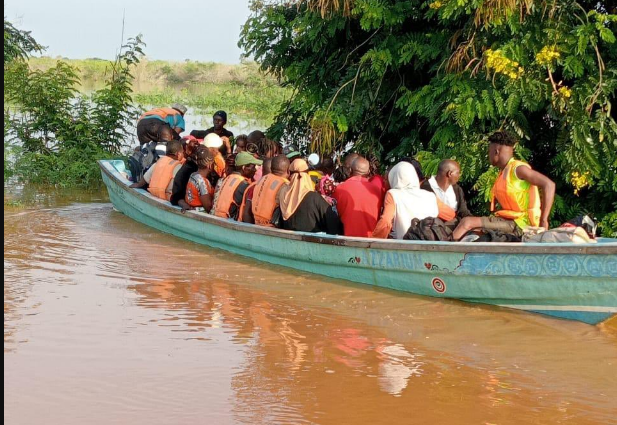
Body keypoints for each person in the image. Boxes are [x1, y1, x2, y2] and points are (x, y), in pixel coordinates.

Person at [452, 131, 555, 241]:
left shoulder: (518, 169)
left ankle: (443, 253)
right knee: (473, 231)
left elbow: (549, 184)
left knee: (467, 222)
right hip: (508, 221)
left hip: (520, 224)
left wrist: (544, 221)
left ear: (496, 151)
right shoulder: (504, 171)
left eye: (489, 151)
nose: (488, 155)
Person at [372, 161, 456, 239]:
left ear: (394, 177)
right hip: (427, 243)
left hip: (403, 244)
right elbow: (450, 215)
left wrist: (374, 243)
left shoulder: (393, 194)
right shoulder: (430, 196)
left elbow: (386, 222)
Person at [278, 159, 341, 234]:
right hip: (313, 242)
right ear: (306, 174)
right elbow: (332, 222)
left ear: (290, 174)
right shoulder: (314, 198)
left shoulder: (283, 194)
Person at [333, 157, 384, 237]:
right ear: (368, 172)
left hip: (346, 240)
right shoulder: (376, 191)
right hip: (370, 241)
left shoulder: (340, 189)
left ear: (350, 170)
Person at [211, 152, 262, 220]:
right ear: (244, 167)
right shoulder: (244, 185)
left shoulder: (227, 178)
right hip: (228, 222)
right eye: (253, 167)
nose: (255, 170)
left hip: (217, 218)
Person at [242, 154, 290, 226]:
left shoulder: (259, 182)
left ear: (271, 168)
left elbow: (247, 212)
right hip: (273, 228)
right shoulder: (285, 186)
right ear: (288, 171)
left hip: (257, 223)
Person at [178, 146, 215, 212]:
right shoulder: (202, 181)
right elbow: (208, 207)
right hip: (199, 214)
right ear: (209, 165)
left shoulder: (193, 175)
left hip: (190, 210)